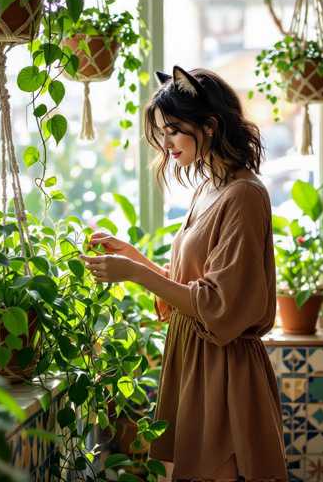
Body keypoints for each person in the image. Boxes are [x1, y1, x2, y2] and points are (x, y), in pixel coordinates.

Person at [79, 65, 288, 481]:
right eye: (162, 131)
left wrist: (135, 274)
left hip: (223, 367)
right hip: (195, 359)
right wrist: (136, 259)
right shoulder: (209, 188)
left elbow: (216, 303)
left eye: (174, 129)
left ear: (209, 126)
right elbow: (192, 288)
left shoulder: (243, 196)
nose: (166, 142)